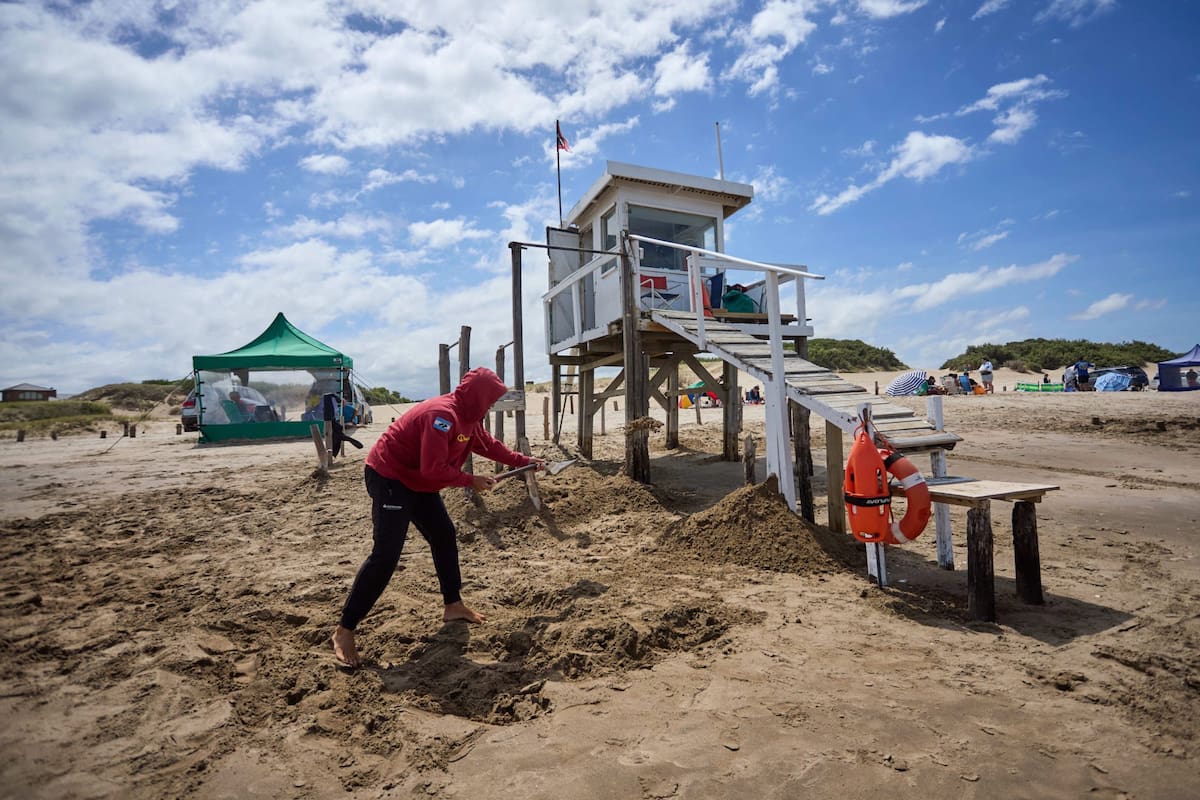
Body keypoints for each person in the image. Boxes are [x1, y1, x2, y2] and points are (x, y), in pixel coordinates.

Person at [331, 367, 545, 668]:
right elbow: (433, 468)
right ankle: (344, 630)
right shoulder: (441, 416)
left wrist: (525, 461)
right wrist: (470, 480)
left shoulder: (469, 417)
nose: (490, 407)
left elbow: (487, 445)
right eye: (489, 400)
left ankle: (453, 604)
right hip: (389, 476)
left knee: (443, 534)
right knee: (386, 555)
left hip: (418, 480)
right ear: (477, 397)